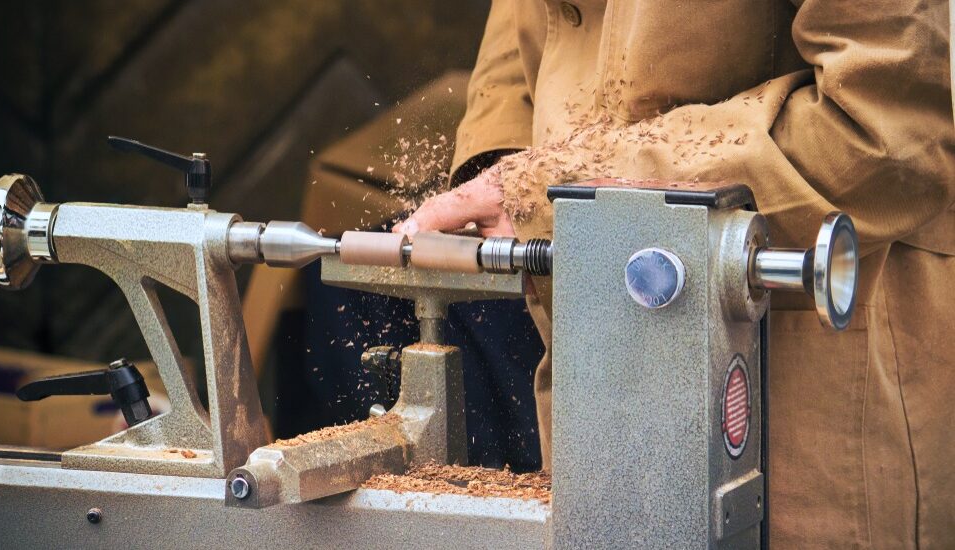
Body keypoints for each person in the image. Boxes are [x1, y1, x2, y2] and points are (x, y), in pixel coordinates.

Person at [393, 1, 955, 547]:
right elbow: (540, 27)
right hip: (594, 355)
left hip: (809, 389)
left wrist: (560, 191)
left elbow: (888, 135)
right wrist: (497, 166)